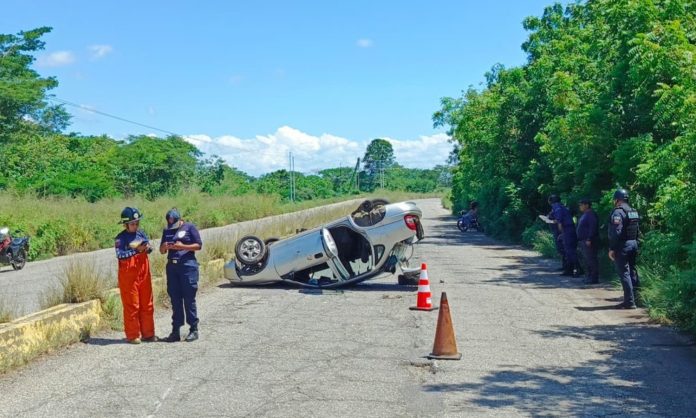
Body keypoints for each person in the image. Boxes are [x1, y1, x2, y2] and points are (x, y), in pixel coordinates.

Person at [160, 208, 203, 342]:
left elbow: (198, 245)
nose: (171, 227)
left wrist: (183, 246)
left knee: (189, 298)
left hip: (187, 266)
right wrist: (166, 246)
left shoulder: (189, 227)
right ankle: (175, 331)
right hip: (172, 267)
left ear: (180, 220)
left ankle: (193, 329)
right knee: (175, 299)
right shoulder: (167, 230)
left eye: (174, 224)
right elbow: (161, 250)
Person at [114, 207, 155, 344]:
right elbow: (120, 255)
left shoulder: (141, 233)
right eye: (132, 224)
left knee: (147, 304)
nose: (135, 226)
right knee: (132, 305)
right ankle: (133, 335)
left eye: (137, 223)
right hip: (128, 276)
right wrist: (136, 251)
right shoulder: (120, 238)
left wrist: (147, 248)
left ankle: (148, 334)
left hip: (143, 273)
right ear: (125, 224)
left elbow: (149, 247)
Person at [608, 188, 640, 309]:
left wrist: (612, 248)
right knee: (632, 271)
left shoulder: (618, 212)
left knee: (624, 273)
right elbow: (637, 229)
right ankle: (637, 299)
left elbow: (616, 231)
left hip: (623, 245)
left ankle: (629, 302)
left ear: (617, 200)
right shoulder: (633, 211)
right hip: (633, 243)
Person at [548, 194, 579, 277]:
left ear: (551, 201)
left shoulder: (556, 206)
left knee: (569, 251)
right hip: (569, 228)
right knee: (568, 251)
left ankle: (577, 270)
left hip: (567, 229)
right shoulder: (561, 206)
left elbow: (559, 221)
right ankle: (569, 269)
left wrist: (561, 233)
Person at [577, 198, 600, 284]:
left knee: (591, 259)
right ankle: (589, 276)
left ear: (587, 205)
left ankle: (594, 278)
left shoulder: (590, 214)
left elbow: (592, 227)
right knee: (587, 259)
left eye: (581, 204)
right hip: (583, 240)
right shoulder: (585, 214)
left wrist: (589, 238)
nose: (580, 206)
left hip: (589, 241)